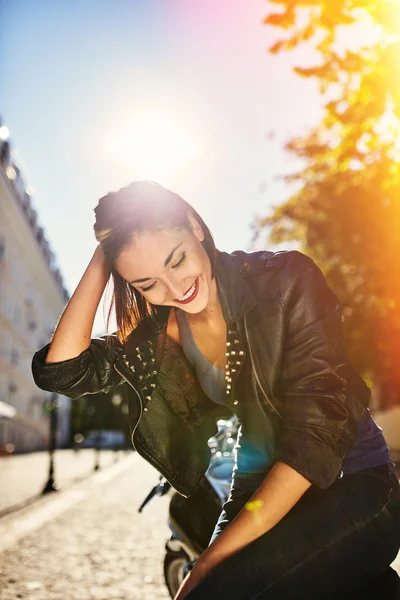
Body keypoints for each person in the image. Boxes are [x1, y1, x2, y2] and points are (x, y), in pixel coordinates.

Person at [32, 181, 400, 599]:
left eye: (176, 260)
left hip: (353, 483)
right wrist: (108, 253)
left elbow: (316, 439)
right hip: (254, 484)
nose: (174, 289)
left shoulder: (285, 280)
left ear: (195, 226)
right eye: (148, 283)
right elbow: (63, 372)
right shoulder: (161, 333)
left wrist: (208, 562)